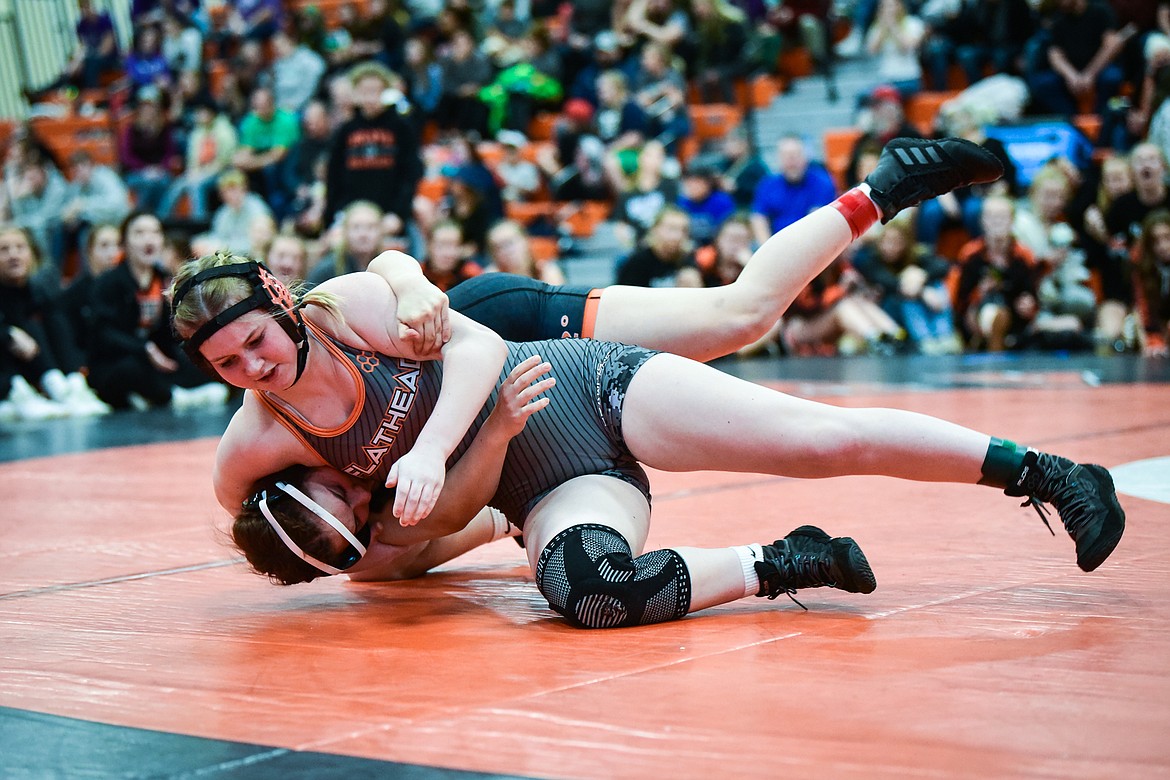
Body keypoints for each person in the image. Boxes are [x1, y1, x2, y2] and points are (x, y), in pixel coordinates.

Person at [173, 139, 1125, 631]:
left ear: (282, 303)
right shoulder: (314, 495)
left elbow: (449, 329)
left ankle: (883, 194)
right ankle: (784, 559)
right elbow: (411, 540)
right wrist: (482, 505)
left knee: (742, 324)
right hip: (525, 456)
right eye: (229, 367)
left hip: (509, 335)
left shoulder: (336, 321)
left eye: (255, 343)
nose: (252, 370)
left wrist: (408, 280)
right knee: (531, 575)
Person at [88, 211, 228, 410]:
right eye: (139, 233)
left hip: (155, 357)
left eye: (155, 232)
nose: (149, 239)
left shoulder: (164, 278)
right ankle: (171, 396)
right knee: (132, 368)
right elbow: (104, 334)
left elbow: (168, 332)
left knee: (197, 359)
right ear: (125, 243)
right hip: (117, 359)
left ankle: (152, 396)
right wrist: (145, 348)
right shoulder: (108, 282)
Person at [0, 227, 109, 419]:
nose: (13, 255)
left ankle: (71, 384)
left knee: (54, 318)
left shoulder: (38, 291)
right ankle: (21, 393)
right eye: (4, 249)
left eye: (19, 247)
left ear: (32, 254)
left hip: (34, 365)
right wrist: (8, 333)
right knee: (24, 329)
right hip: (8, 369)